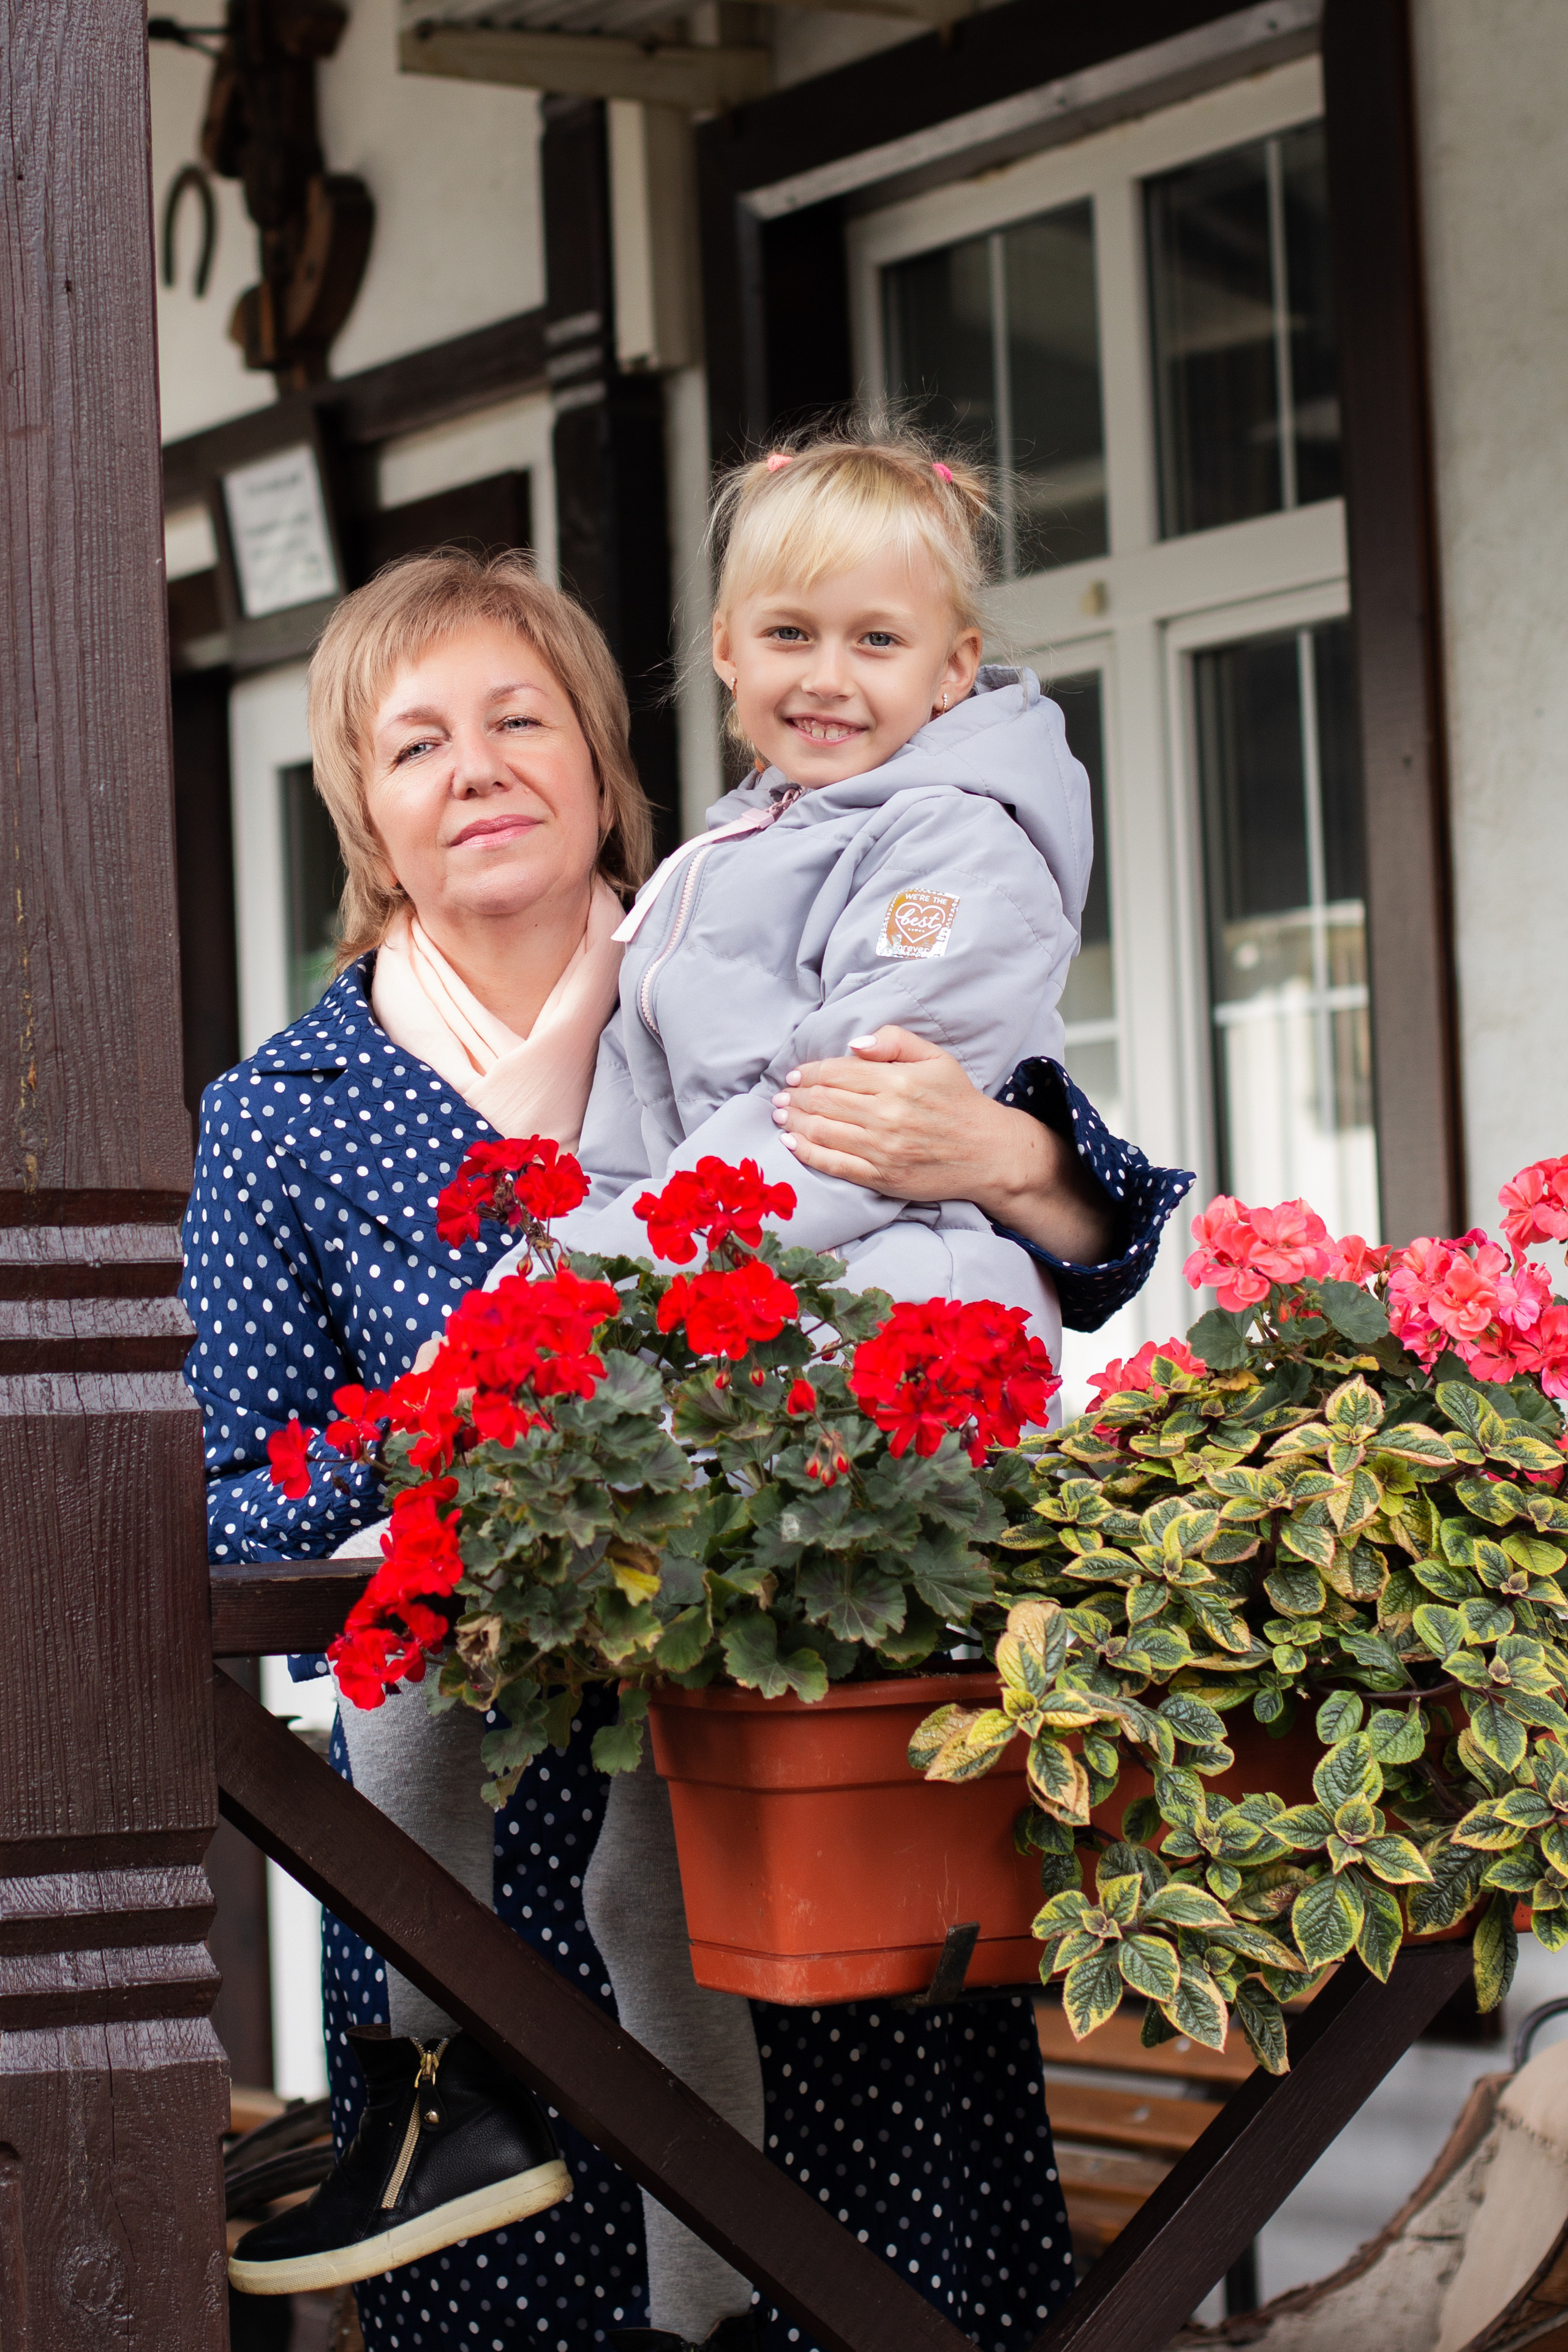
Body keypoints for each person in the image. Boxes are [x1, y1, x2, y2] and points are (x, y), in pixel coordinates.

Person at [181, 548, 1190, 2352]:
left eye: (521, 718)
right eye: (419, 745)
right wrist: (457, 1423)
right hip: (491, 1907)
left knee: (871, 2297)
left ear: (601, 765)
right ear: (364, 809)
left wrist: (1006, 1165)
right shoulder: (282, 1119)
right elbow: (221, 1505)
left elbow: (1090, 1222)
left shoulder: (770, 944)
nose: (478, 767)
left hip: (816, 1812)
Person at [538, 430, 1101, 2350]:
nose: (828, 677)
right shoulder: (704, 872)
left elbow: (860, 1121)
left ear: (958, 670)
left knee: (873, 1912)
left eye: (879, 639)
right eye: (790, 632)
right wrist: (597, 1270)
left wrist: (612, 1268)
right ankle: (688, 2277)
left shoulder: (962, 845)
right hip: (724, 1342)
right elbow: (627, 1139)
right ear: (716, 647)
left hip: (877, 1350)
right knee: (649, 1869)